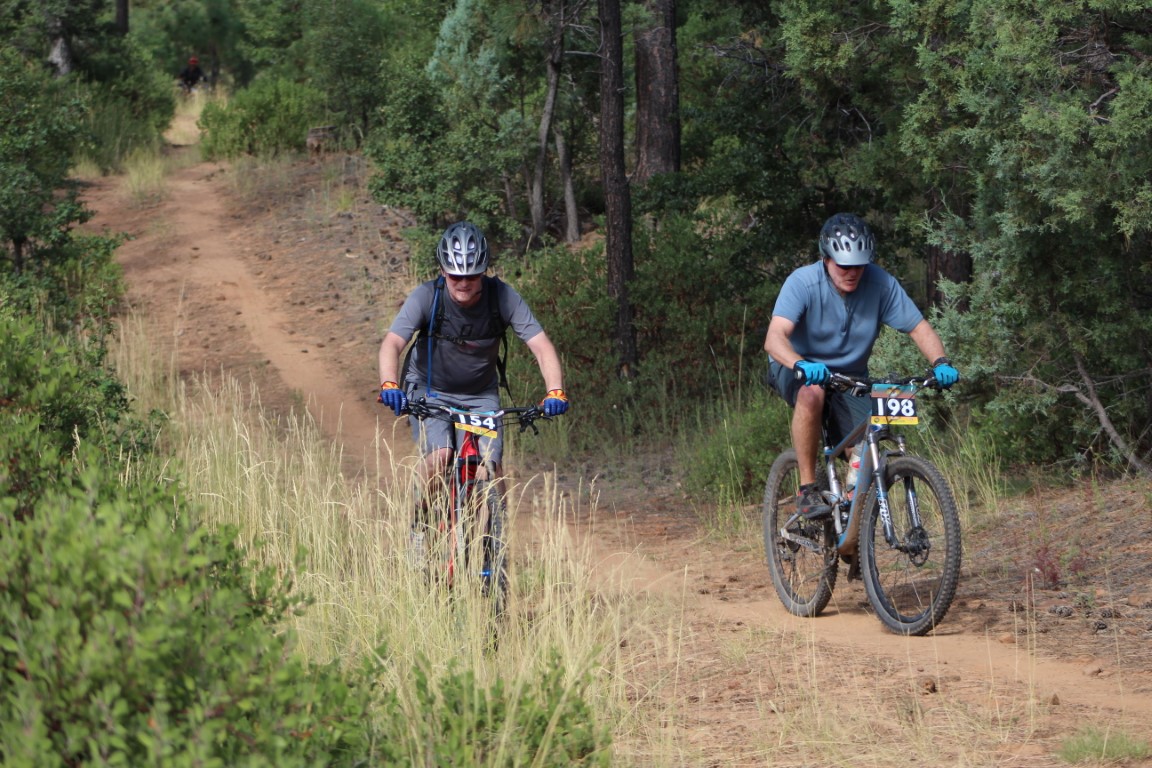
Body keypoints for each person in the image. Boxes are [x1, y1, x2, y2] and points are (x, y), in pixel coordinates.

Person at [377, 221, 569, 565]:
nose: (463, 283)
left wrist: (555, 391)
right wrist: (390, 384)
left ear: (484, 271)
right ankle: (419, 526)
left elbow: (541, 347)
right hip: (430, 392)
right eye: (455, 276)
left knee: (490, 469)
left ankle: (495, 546)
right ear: (442, 271)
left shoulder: (503, 297)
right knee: (440, 457)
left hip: (480, 396)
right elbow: (392, 343)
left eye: (472, 276)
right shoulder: (427, 296)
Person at [763, 212, 959, 517]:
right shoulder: (802, 282)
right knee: (812, 393)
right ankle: (807, 489)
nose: (852, 272)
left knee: (869, 441)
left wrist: (941, 362)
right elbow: (774, 339)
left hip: (849, 375)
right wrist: (800, 363)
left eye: (859, 265)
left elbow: (919, 328)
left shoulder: (881, 284)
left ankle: (852, 516)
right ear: (826, 259)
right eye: (844, 265)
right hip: (796, 365)